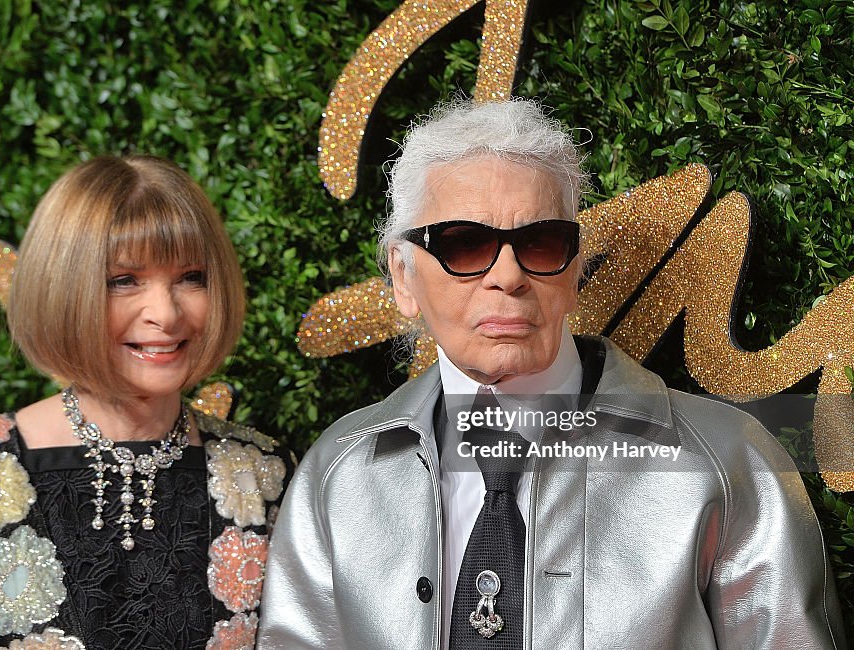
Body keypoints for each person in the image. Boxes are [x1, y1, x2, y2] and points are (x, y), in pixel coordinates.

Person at [258, 99, 845, 648]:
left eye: (539, 243)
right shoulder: (338, 474)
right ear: (404, 278)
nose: (508, 276)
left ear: (573, 269)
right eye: (464, 245)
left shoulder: (727, 461)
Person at [0, 155, 291, 649]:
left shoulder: (263, 474)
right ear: (63, 290)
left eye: (192, 277)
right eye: (124, 281)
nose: (165, 313)